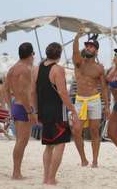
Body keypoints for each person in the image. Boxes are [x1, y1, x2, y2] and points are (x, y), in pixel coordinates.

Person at [32, 43, 78, 185]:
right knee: (60, 144)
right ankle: (51, 178)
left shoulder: (36, 69)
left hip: (43, 110)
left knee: (49, 145)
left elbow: (33, 92)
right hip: (57, 111)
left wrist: (36, 110)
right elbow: (63, 93)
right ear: (59, 55)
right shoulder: (58, 69)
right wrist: (73, 110)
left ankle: (46, 177)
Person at [72, 27, 110, 168]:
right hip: (80, 100)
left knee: (95, 131)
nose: (88, 48)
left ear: (96, 50)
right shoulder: (79, 63)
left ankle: (95, 160)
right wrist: (77, 37)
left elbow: (104, 88)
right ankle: (83, 159)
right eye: (87, 46)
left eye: (91, 46)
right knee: (76, 130)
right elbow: (75, 52)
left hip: (95, 99)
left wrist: (106, 106)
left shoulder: (100, 68)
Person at [5, 42, 38, 179]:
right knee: (21, 142)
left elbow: (6, 90)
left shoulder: (12, 69)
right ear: (31, 54)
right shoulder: (25, 69)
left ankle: (16, 171)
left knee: (20, 141)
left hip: (16, 105)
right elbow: (23, 92)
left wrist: (10, 108)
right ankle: (16, 172)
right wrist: (30, 111)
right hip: (24, 107)